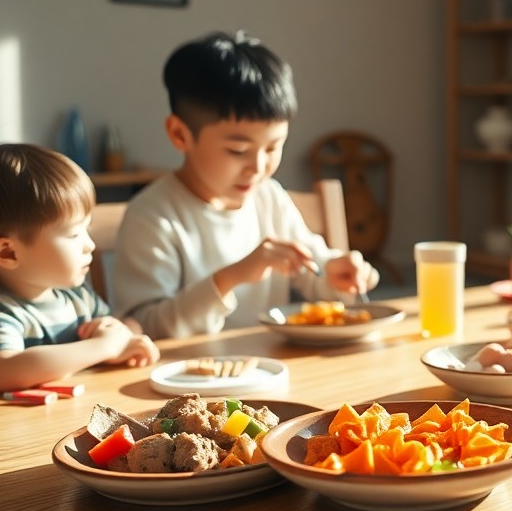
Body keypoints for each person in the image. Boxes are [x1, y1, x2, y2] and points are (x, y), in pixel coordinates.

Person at [113, 30, 379, 339]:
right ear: (180, 135)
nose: (258, 167)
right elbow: (145, 327)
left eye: (272, 147)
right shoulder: (152, 218)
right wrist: (231, 278)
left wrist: (335, 274)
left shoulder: (268, 197)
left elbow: (313, 271)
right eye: (238, 151)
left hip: (270, 373)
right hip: (187, 382)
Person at [0, 144, 159, 391]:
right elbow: (6, 371)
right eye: (74, 234)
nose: (90, 245)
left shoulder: (78, 299)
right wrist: (103, 347)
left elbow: (113, 337)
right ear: (8, 252)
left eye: (87, 230)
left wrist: (125, 342)